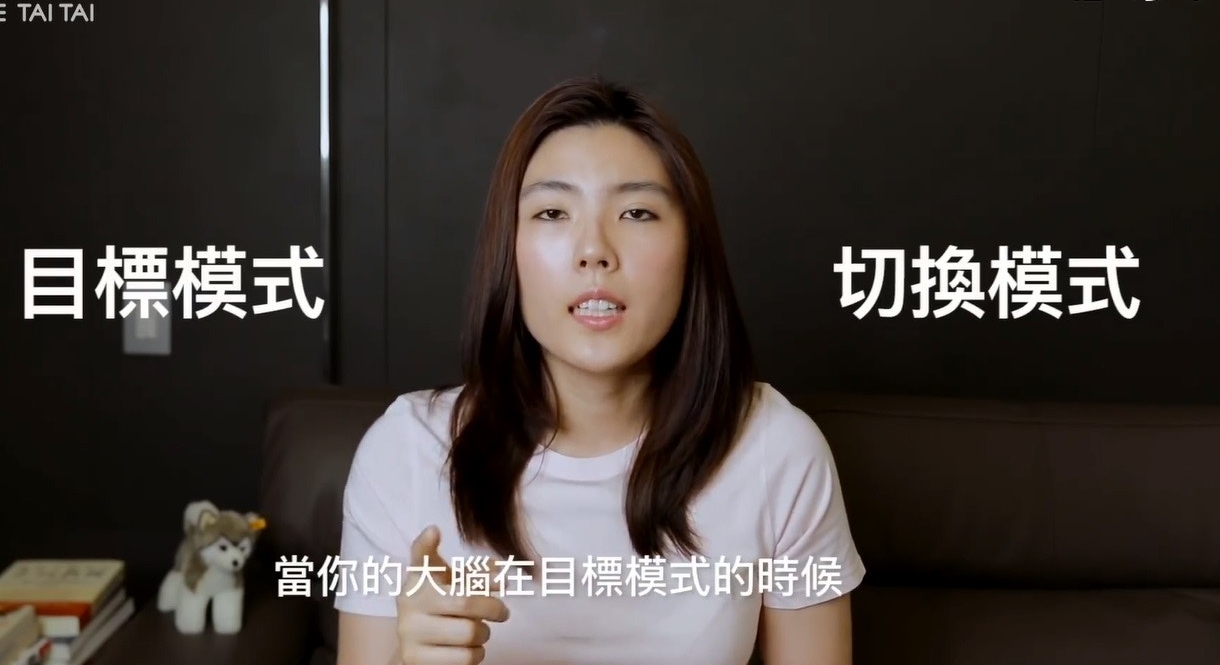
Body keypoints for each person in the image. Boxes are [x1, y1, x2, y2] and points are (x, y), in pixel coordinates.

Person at [334, 76, 865, 665]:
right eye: (553, 212)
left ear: (691, 249)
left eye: (637, 212)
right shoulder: (406, 451)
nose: (594, 250)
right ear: (508, 250)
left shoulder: (776, 449)